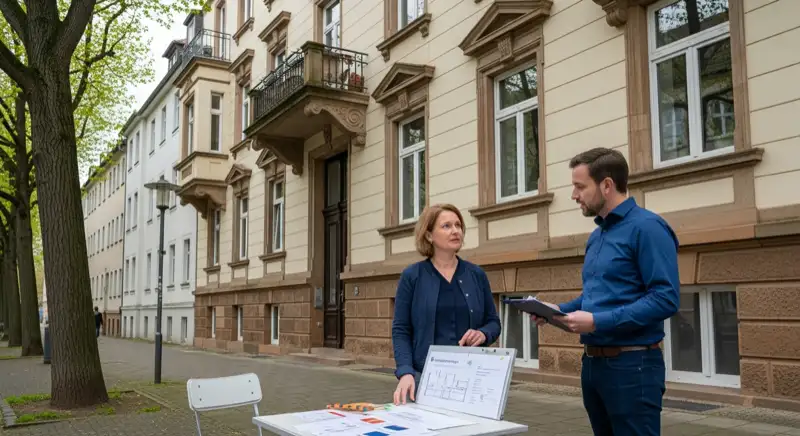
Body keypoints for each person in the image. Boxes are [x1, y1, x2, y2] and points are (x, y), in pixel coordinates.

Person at [533, 148, 680, 435]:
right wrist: (555, 312)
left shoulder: (648, 228)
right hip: (593, 367)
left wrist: (598, 322)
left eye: (579, 186)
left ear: (607, 185)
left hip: (633, 367)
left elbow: (665, 298)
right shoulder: (597, 236)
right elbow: (596, 298)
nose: (574, 195)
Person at [391, 203, 501, 406]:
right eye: (446, 226)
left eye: (458, 225)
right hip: (425, 379)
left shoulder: (476, 275)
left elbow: (493, 322)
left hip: (471, 378)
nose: (455, 231)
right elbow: (401, 330)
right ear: (429, 235)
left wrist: (483, 334)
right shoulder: (412, 276)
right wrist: (405, 371)